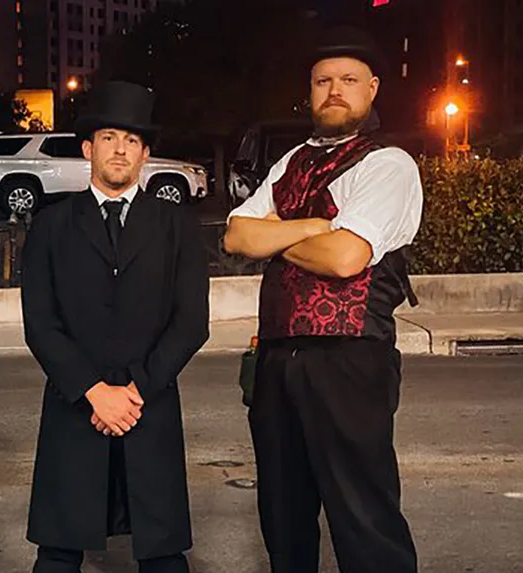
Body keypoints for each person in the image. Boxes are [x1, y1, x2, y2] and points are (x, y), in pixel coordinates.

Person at [223, 26, 422, 573]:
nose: (335, 90)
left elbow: (345, 259)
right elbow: (238, 237)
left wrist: (278, 235)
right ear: (309, 91)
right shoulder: (291, 160)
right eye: (323, 81)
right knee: (283, 517)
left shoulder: (389, 164)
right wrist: (314, 226)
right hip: (278, 358)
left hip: (350, 358)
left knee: (364, 515)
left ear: (374, 88)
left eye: (349, 80)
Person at [20, 80, 211, 573]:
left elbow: (191, 323)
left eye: (131, 140)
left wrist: (132, 391)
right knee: (58, 551)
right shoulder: (50, 225)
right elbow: (40, 324)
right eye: (109, 137)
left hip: (149, 404)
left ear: (145, 152)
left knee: (163, 551)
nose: (120, 149)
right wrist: (91, 390)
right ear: (88, 148)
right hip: (74, 405)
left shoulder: (176, 226)